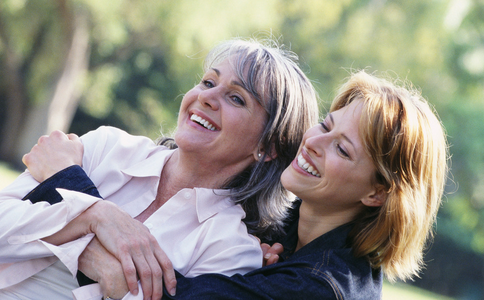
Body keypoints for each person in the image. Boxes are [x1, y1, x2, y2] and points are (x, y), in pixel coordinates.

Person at [18, 70, 448, 299]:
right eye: (325, 125)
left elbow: (157, 296)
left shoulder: (321, 288)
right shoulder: (278, 234)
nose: (313, 143)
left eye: (342, 150)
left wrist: (70, 189)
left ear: (377, 193)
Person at [0, 38, 319, 300]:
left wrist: (87, 248)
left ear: (267, 147)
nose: (206, 97)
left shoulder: (231, 250)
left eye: (236, 98)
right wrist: (95, 216)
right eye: (208, 81)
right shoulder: (107, 146)